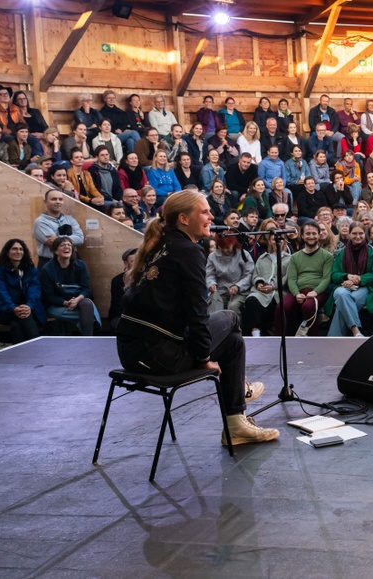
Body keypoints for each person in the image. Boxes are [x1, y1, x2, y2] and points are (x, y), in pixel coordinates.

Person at [117, 190, 277, 444]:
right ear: (183, 218)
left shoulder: (159, 244)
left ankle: (235, 425)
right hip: (160, 357)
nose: (211, 216)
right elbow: (197, 311)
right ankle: (239, 395)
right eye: (204, 211)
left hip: (132, 353)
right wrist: (204, 358)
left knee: (234, 342)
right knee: (232, 319)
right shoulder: (188, 250)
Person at [276, 221, 333, 336]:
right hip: (299, 291)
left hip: (318, 292)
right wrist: (296, 294)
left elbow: (326, 278)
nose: (311, 236)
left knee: (308, 306)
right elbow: (291, 279)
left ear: (318, 235)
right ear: (302, 236)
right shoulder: (295, 257)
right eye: (308, 234)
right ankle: (280, 338)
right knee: (281, 306)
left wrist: (315, 292)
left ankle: (311, 337)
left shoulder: (327, 256)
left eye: (314, 233)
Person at [327, 222, 373, 337]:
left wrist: (358, 279)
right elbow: (334, 274)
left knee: (346, 302)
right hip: (343, 286)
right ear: (349, 235)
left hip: (364, 287)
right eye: (354, 233)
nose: (358, 236)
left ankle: (333, 338)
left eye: (361, 233)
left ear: (365, 234)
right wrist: (347, 276)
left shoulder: (372, 252)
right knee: (341, 294)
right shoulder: (341, 253)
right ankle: (355, 330)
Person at [39, 237, 99, 336]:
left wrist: (77, 300)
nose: (66, 247)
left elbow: (87, 289)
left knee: (87, 304)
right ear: (55, 251)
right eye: (62, 245)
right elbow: (49, 296)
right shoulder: (47, 270)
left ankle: (88, 339)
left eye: (69, 245)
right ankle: (89, 330)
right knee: (87, 314)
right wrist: (65, 303)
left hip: (79, 302)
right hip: (57, 306)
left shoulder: (81, 265)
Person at [0, 238, 44, 343]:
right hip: (4, 309)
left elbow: (35, 289)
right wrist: (13, 308)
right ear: (7, 252)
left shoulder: (31, 269)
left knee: (17, 325)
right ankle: (37, 345)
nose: (18, 252)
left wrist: (29, 306)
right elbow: (1, 292)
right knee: (23, 318)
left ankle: (20, 356)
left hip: (28, 307)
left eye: (21, 249)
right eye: (14, 249)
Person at [33, 190, 85, 266]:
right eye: (53, 199)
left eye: (60, 199)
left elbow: (80, 239)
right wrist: (70, 239)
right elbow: (54, 244)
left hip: (72, 261)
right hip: (49, 264)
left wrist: (58, 238)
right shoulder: (40, 222)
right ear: (45, 202)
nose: (58, 202)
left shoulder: (70, 220)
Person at [206, 234, 253, 316]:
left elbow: (249, 273)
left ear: (233, 244)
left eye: (227, 247)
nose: (224, 250)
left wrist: (238, 286)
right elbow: (209, 274)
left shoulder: (243, 254)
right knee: (215, 308)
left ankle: (235, 327)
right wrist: (211, 284)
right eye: (222, 247)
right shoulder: (212, 257)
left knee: (233, 306)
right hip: (221, 290)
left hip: (241, 291)